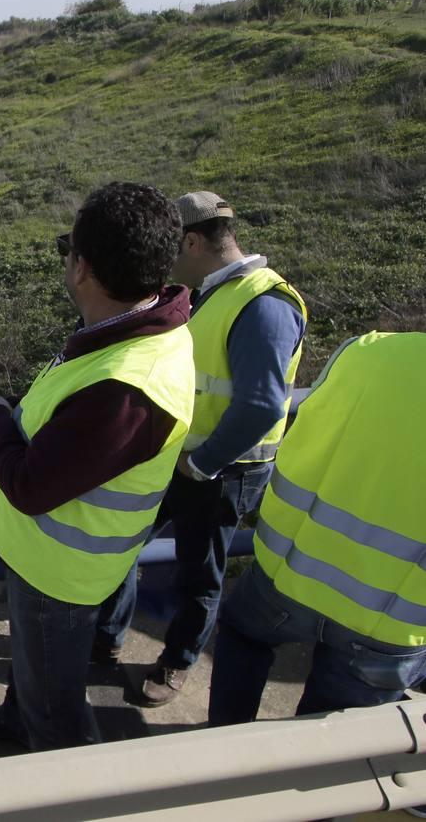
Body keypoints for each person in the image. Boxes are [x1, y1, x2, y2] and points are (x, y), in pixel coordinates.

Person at [0, 182, 194, 750]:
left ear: (82, 267)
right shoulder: (135, 333)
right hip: (47, 559)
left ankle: (72, 788)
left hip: (59, 575)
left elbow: (34, 486)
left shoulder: (127, 385)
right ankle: (14, 725)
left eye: (68, 247)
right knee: (33, 676)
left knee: (56, 710)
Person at [94, 191, 307, 708]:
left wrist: (202, 461)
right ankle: (105, 640)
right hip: (177, 458)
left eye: (171, 247)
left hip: (220, 470)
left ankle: (176, 663)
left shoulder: (263, 304)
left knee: (199, 573)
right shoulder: (210, 291)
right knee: (119, 542)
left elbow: (261, 405)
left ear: (192, 240)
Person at [208, 331, 426, 725]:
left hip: (290, 571)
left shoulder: (369, 350)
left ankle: (224, 741)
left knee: (243, 638)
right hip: (391, 623)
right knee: (326, 737)